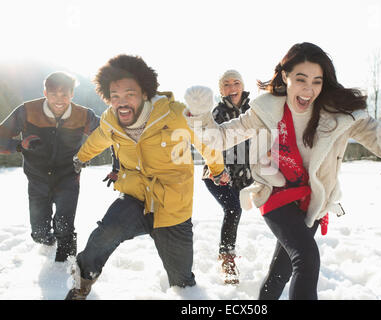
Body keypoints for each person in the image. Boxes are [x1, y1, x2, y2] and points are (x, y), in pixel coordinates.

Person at [183, 42, 381, 300]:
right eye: (301, 79)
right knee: (306, 258)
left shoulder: (340, 114)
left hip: (314, 201)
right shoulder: (266, 110)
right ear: (286, 77)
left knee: (280, 273)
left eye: (317, 81)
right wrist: (201, 115)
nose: (309, 89)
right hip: (275, 194)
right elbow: (219, 139)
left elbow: (375, 138)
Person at [65, 54, 227, 300]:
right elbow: (99, 139)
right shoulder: (111, 120)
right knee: (104, 235)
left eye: (129, 94)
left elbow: (206, 142)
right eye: (115, 96)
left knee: (182, 280)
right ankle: (80, 285)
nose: (121, 102)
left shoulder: (175, 114)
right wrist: (80, 158)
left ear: (144, 93)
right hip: (134, 196)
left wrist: (217, 169)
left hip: (172, 204)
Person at [0, 71, 100, 262]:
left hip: (68, 178)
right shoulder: (27, 111)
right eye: (54, 94)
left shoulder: (84, 115)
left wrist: (88, 153)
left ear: (72, 94)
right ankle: (48, 245)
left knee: (65, 227)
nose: (59, 100)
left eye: (64, 94)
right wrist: (19, 145)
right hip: (37, 180)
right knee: (39, 233)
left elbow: (107, 136)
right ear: (45, 93)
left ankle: (67, 267)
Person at [202, 70, 254, 284]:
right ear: (221, 89)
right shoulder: (216, 113)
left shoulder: (254, 110)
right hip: (217, 174)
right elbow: (207, 143)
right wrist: (218, 170)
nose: (232, 88)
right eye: (227, 84)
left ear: (242, 85)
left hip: (246, 175)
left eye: (236, 83)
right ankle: (227, 259)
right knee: (233, 209)